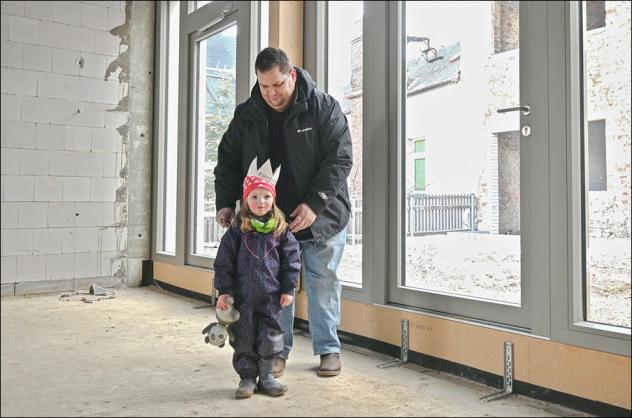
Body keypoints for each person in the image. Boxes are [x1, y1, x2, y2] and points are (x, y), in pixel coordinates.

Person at [214, 47, 353, 378]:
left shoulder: (323, 107)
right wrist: (225, 200)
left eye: (277, 84)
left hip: (323, 216)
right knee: (275, 288)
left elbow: (340, 159)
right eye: (264, 86)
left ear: (291, 75)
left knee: (323, 282)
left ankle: (328, 350)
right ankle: (276, 351)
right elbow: (228, 160)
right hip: (269, 221)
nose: (272, 93)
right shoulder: (247, 114)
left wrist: (315, 204)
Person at [213, 157, 301, 398]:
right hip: (243, 297)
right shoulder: (237, 230)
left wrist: (288, 289)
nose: (260, 202)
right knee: (243, 337)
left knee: (270, 335)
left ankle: (268, 376)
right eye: (254, 197)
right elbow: (223, 262)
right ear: (245, 199)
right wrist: (224, 291)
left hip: (271, 297)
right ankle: (247, 378)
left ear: (273, 199)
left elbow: (292, 261)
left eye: (266, 197)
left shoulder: (281, 230)